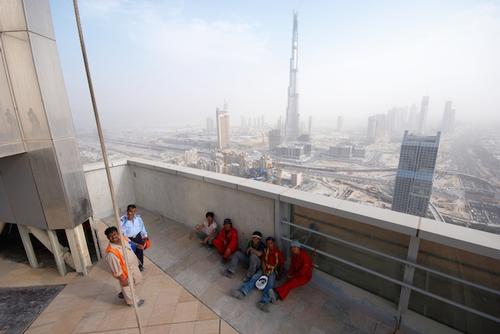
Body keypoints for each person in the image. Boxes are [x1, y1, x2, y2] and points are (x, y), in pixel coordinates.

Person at [231, 237, 284, 312]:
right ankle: (242, 292)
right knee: (254, 278)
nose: (269, 245)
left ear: (274, 243)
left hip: (272, 271)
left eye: (271, 243)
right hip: (264, 269)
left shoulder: (278, 253)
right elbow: (262, 260)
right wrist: (264, 269)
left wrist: (278, 275)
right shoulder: (265, 250)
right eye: (268, 243)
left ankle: (264, 302)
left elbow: (281, 265)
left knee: (270, 285)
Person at [104, 226, 144, 307]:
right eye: (111, 236)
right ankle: (132, 302)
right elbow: (116, 269)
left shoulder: (123, 238)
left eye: (115, 234)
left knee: (136, 280)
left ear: (118, 234)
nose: (114, 236)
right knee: (127, 286)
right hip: (125, 272)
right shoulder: (111, 253)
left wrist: (137, 245)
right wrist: (122, 279)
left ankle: (123, 293)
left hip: (134, 267)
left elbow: (129, 242)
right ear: (108, 238)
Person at [120, 204, 148, 271]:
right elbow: (122, 233)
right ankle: (133, 267)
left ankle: (140, 266)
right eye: (130, 211)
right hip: (129, 239)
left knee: (140, 252)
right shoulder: (122, 220)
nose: (132, 213)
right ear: (127, 211)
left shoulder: (138, 218)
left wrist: (145, 236)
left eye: (134, 211)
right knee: (131, 254)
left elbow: (142, 227)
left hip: (138, 237)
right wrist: (128, 220)